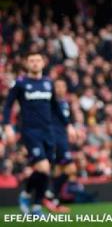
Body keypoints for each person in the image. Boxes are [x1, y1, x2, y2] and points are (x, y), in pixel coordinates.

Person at [2, 52, 66, 216]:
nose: (35, 63)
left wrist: (69, 125)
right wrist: (7, 125)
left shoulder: (48, 83)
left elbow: (55, 107)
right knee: (43, 167)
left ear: (43, 63)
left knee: (45, 170)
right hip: (30, 131)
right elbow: (8, 106)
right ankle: (31, 201)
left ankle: (32, 201)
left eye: (38, 60)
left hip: (48, 131)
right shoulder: (20, 83)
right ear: (27, 64)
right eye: (32, 61)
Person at [42, 79, 75, 213]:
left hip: (63, 139)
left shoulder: (65, 103)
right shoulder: (50, 103)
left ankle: (53, 200)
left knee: (61, 171)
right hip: (55, 140)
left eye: (63, 86)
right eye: (58, 86)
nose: (60, 89)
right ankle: (50, 196)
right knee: (69, 169)